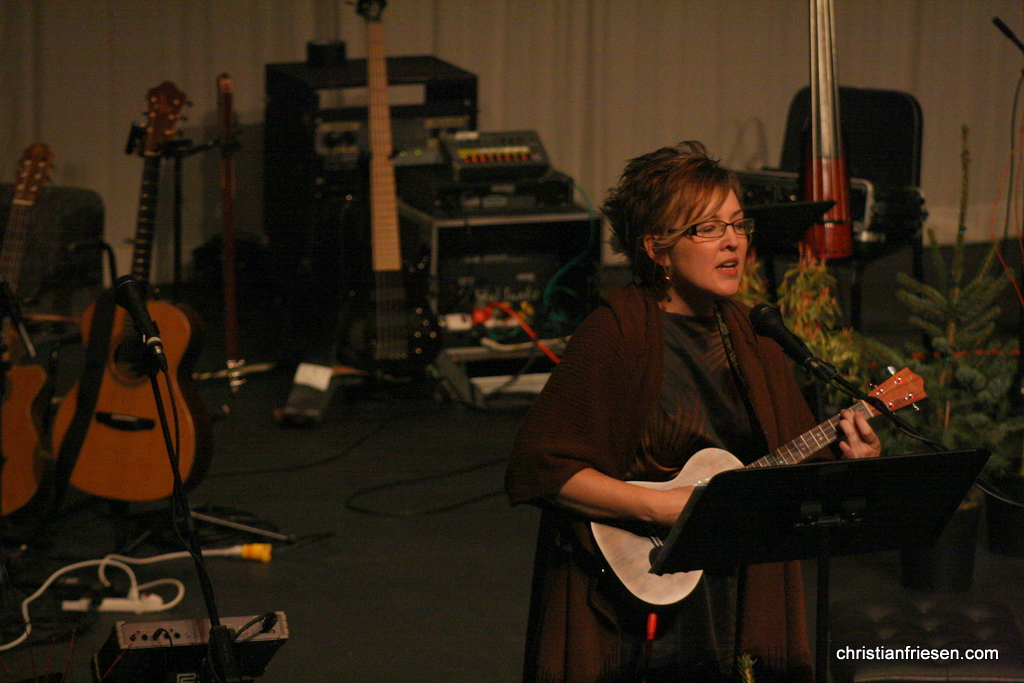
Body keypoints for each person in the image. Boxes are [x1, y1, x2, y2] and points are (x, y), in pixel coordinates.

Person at [505, 141, 880, 683]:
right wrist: (658, 508)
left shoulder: (752, 334)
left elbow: (793, 465)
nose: (733, 241)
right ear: (657, 249)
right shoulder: (617, 333)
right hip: (637, 592)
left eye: (738, 224)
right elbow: (541, 467)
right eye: (707, 228)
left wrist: (852, 460)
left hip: (732, 585)